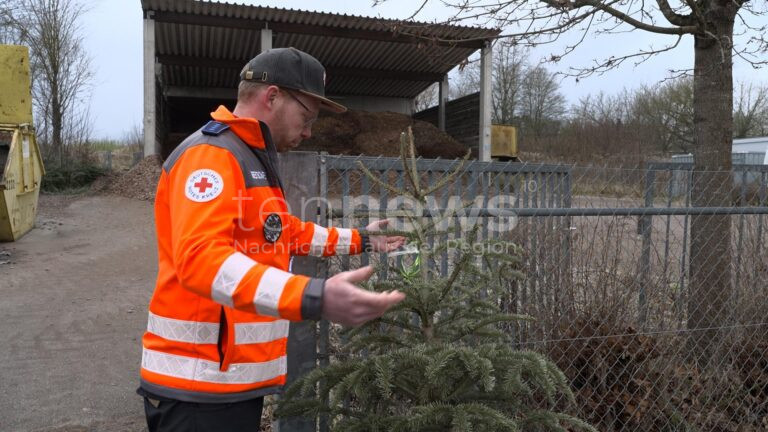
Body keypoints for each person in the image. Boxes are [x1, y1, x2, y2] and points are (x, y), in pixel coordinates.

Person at [137, 47, 406, 431]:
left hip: (225, 384)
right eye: (306, 115)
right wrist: (315, 296)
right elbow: (200, 260)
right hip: (197, 389)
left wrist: (361, 239)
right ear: (272, 97)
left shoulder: (249, 157)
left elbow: (282, 233)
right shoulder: (212, 157)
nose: (309, 130)